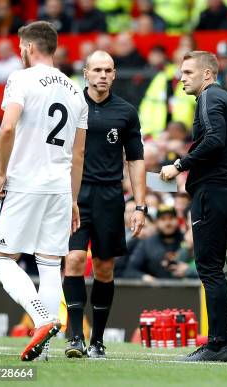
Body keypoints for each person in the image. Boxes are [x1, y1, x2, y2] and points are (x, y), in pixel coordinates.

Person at [0, 21, 88, 361]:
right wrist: (73, 199)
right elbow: (79, 155)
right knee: (49, 265)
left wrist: (1, 172)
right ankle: (43, 351)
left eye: (20, 48)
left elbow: (7, 127)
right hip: (59, 188)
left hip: (24, 182)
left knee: (0, 258)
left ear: (29, 48)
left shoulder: (21, 78)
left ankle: (42, 318)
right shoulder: (76, 91)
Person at [160, 51, 227, 362]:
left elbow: (214, 140)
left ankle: (219, 345)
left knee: (209, 268)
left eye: (187, 72)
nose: (182, 78)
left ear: (207, 75)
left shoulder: (209, 97)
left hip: (213, 191)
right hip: (226, 189)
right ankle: (220, 342)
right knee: (214, 268)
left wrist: (179, 164)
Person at [63, 50, 146, 359]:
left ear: (114, 74)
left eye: (107, 70)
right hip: (74, 196)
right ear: (85, 73)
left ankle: (97, 340)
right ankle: (75, 337)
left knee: (104, 267)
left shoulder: (126, 112)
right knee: (72, 260)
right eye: (96, 69)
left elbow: (136, 160)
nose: (102, 75)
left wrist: (140, 206)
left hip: (110, 197)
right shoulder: (72, 108)